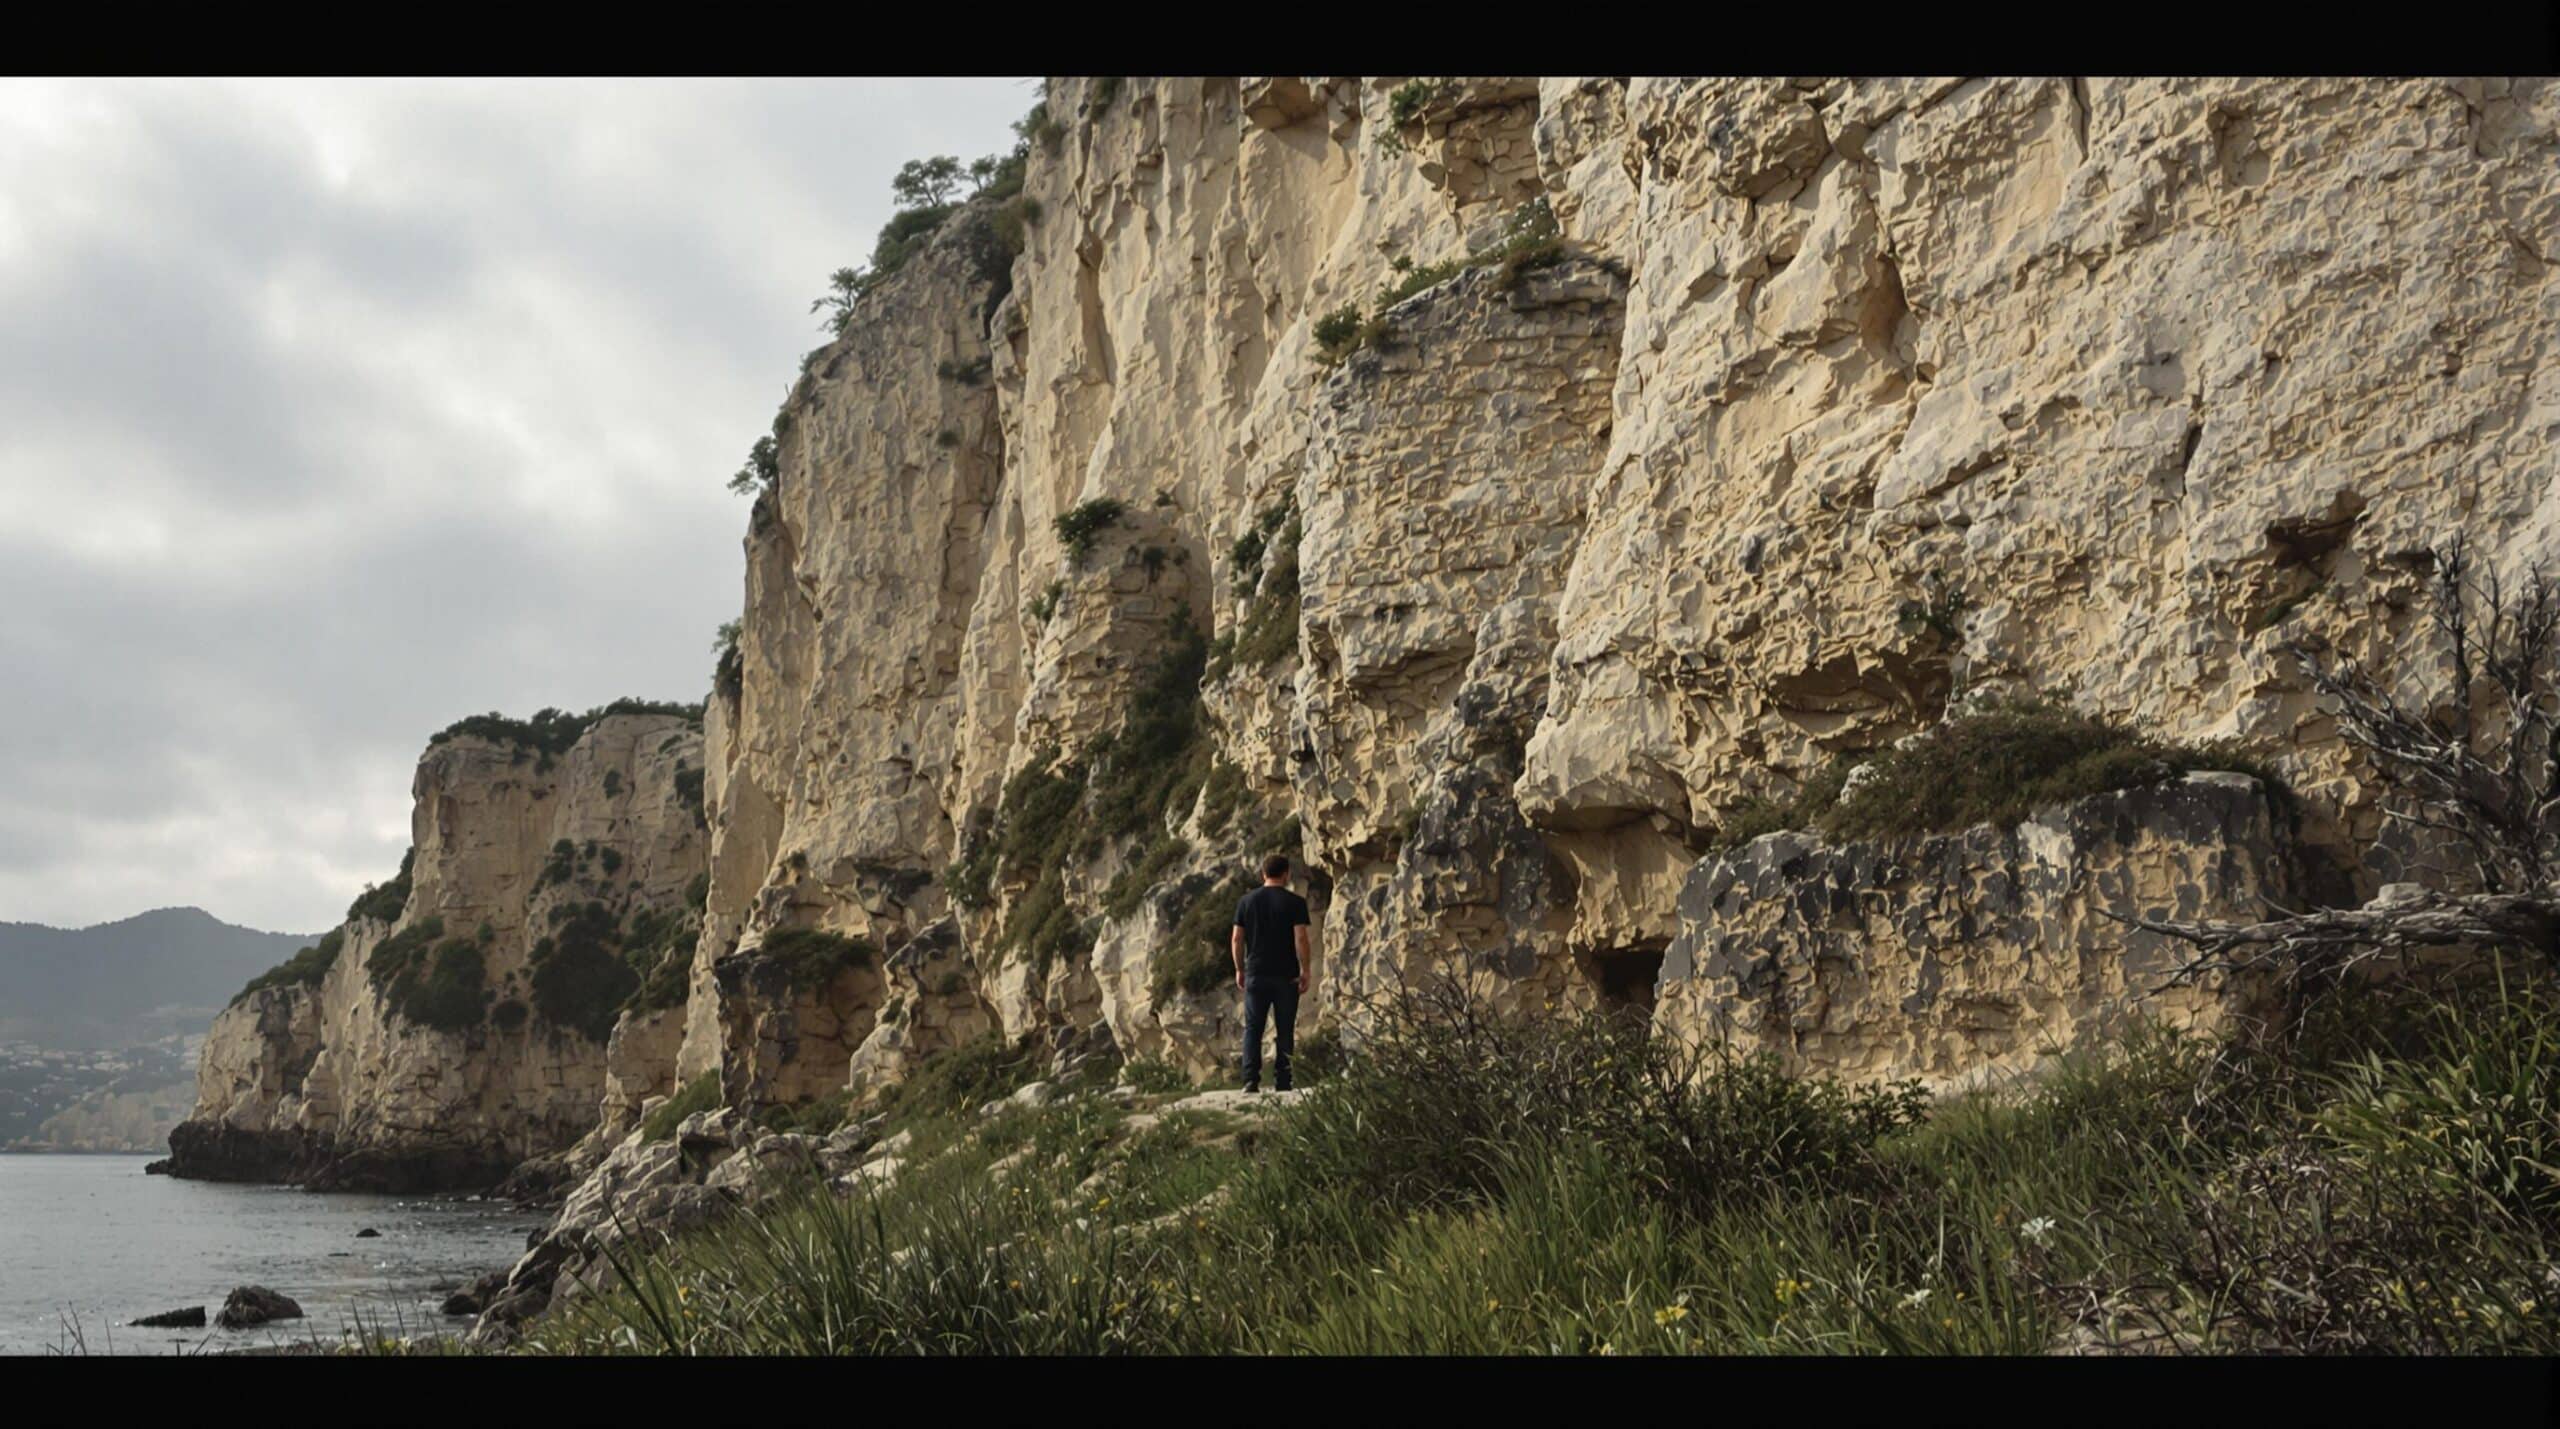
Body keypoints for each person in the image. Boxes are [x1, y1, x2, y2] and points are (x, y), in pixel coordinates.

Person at [1231, 852, 1313, 1093]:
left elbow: (1237, 938)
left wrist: (1239, 968)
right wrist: (1305, 969)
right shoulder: (1295, 902)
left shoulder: (1246, 901)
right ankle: (1283, 1081)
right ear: (1286, 874)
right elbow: (1300, 938)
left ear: (1263, 874)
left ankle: (1250, 1080)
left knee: (1253, 1028)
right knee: (1285, 1029)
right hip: (1286, 975)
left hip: (1256, 972)